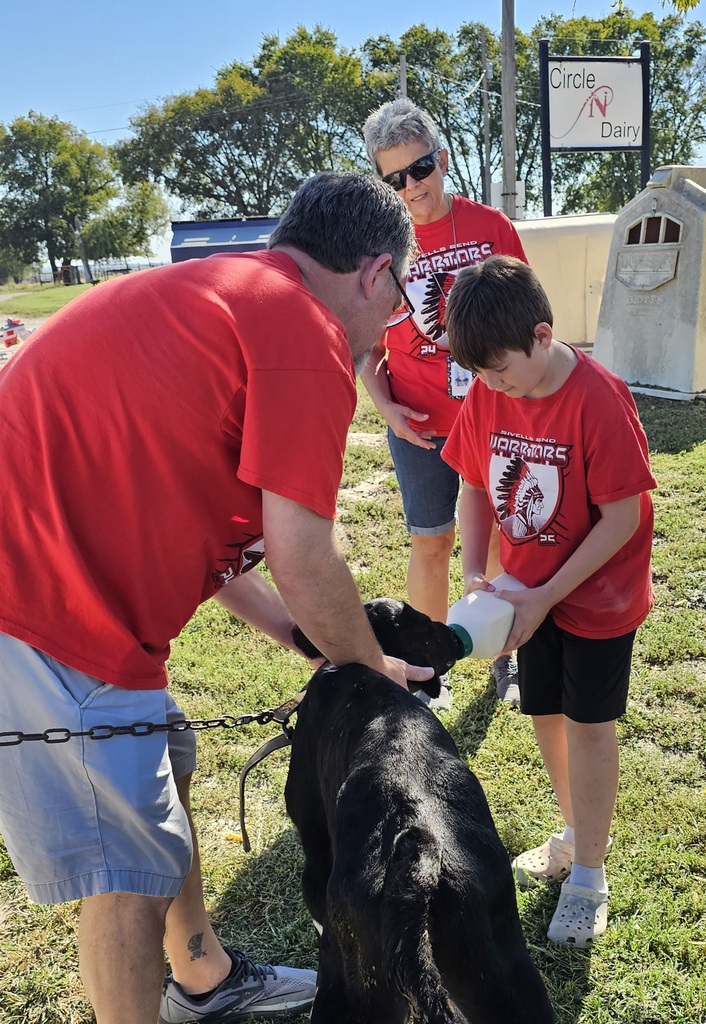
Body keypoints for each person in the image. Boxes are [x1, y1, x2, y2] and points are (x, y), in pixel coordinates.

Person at [0, 172, 435, 1024]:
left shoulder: (227, 295)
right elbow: (305, 554)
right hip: (45, 608)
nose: (387, 331)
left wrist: (301, 640)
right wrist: (370, 671)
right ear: (375, 272)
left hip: (68, 588)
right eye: (393, 305)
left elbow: (224, 538)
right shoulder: (301, 331)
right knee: (125, 871)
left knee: (169, 763)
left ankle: (201, 974)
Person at [441, 254, 656, 946]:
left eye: (502, 371)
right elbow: (474, 483)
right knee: (545, 712)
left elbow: (622, 518)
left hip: (595, 599)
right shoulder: (488, 391)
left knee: (589, 725)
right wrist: (477, 570)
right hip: (523, 596)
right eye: (480, 375)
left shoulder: (599, 396)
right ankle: (571, 832)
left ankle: (590, 873)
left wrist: (543, 596)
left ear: (541, 334)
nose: (494, 387)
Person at [361, 97, 528, 709]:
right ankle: (427, 669)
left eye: (421, 168)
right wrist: (385, 408)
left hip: (495, 420)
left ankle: (506, 657)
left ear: (444, 160)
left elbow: (527, 320)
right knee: (431, 542)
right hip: (420, 426)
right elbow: (364, 350)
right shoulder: (376, 249)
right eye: (395, 177)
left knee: (502, 543)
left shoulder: (493, 229)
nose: (412, 187)